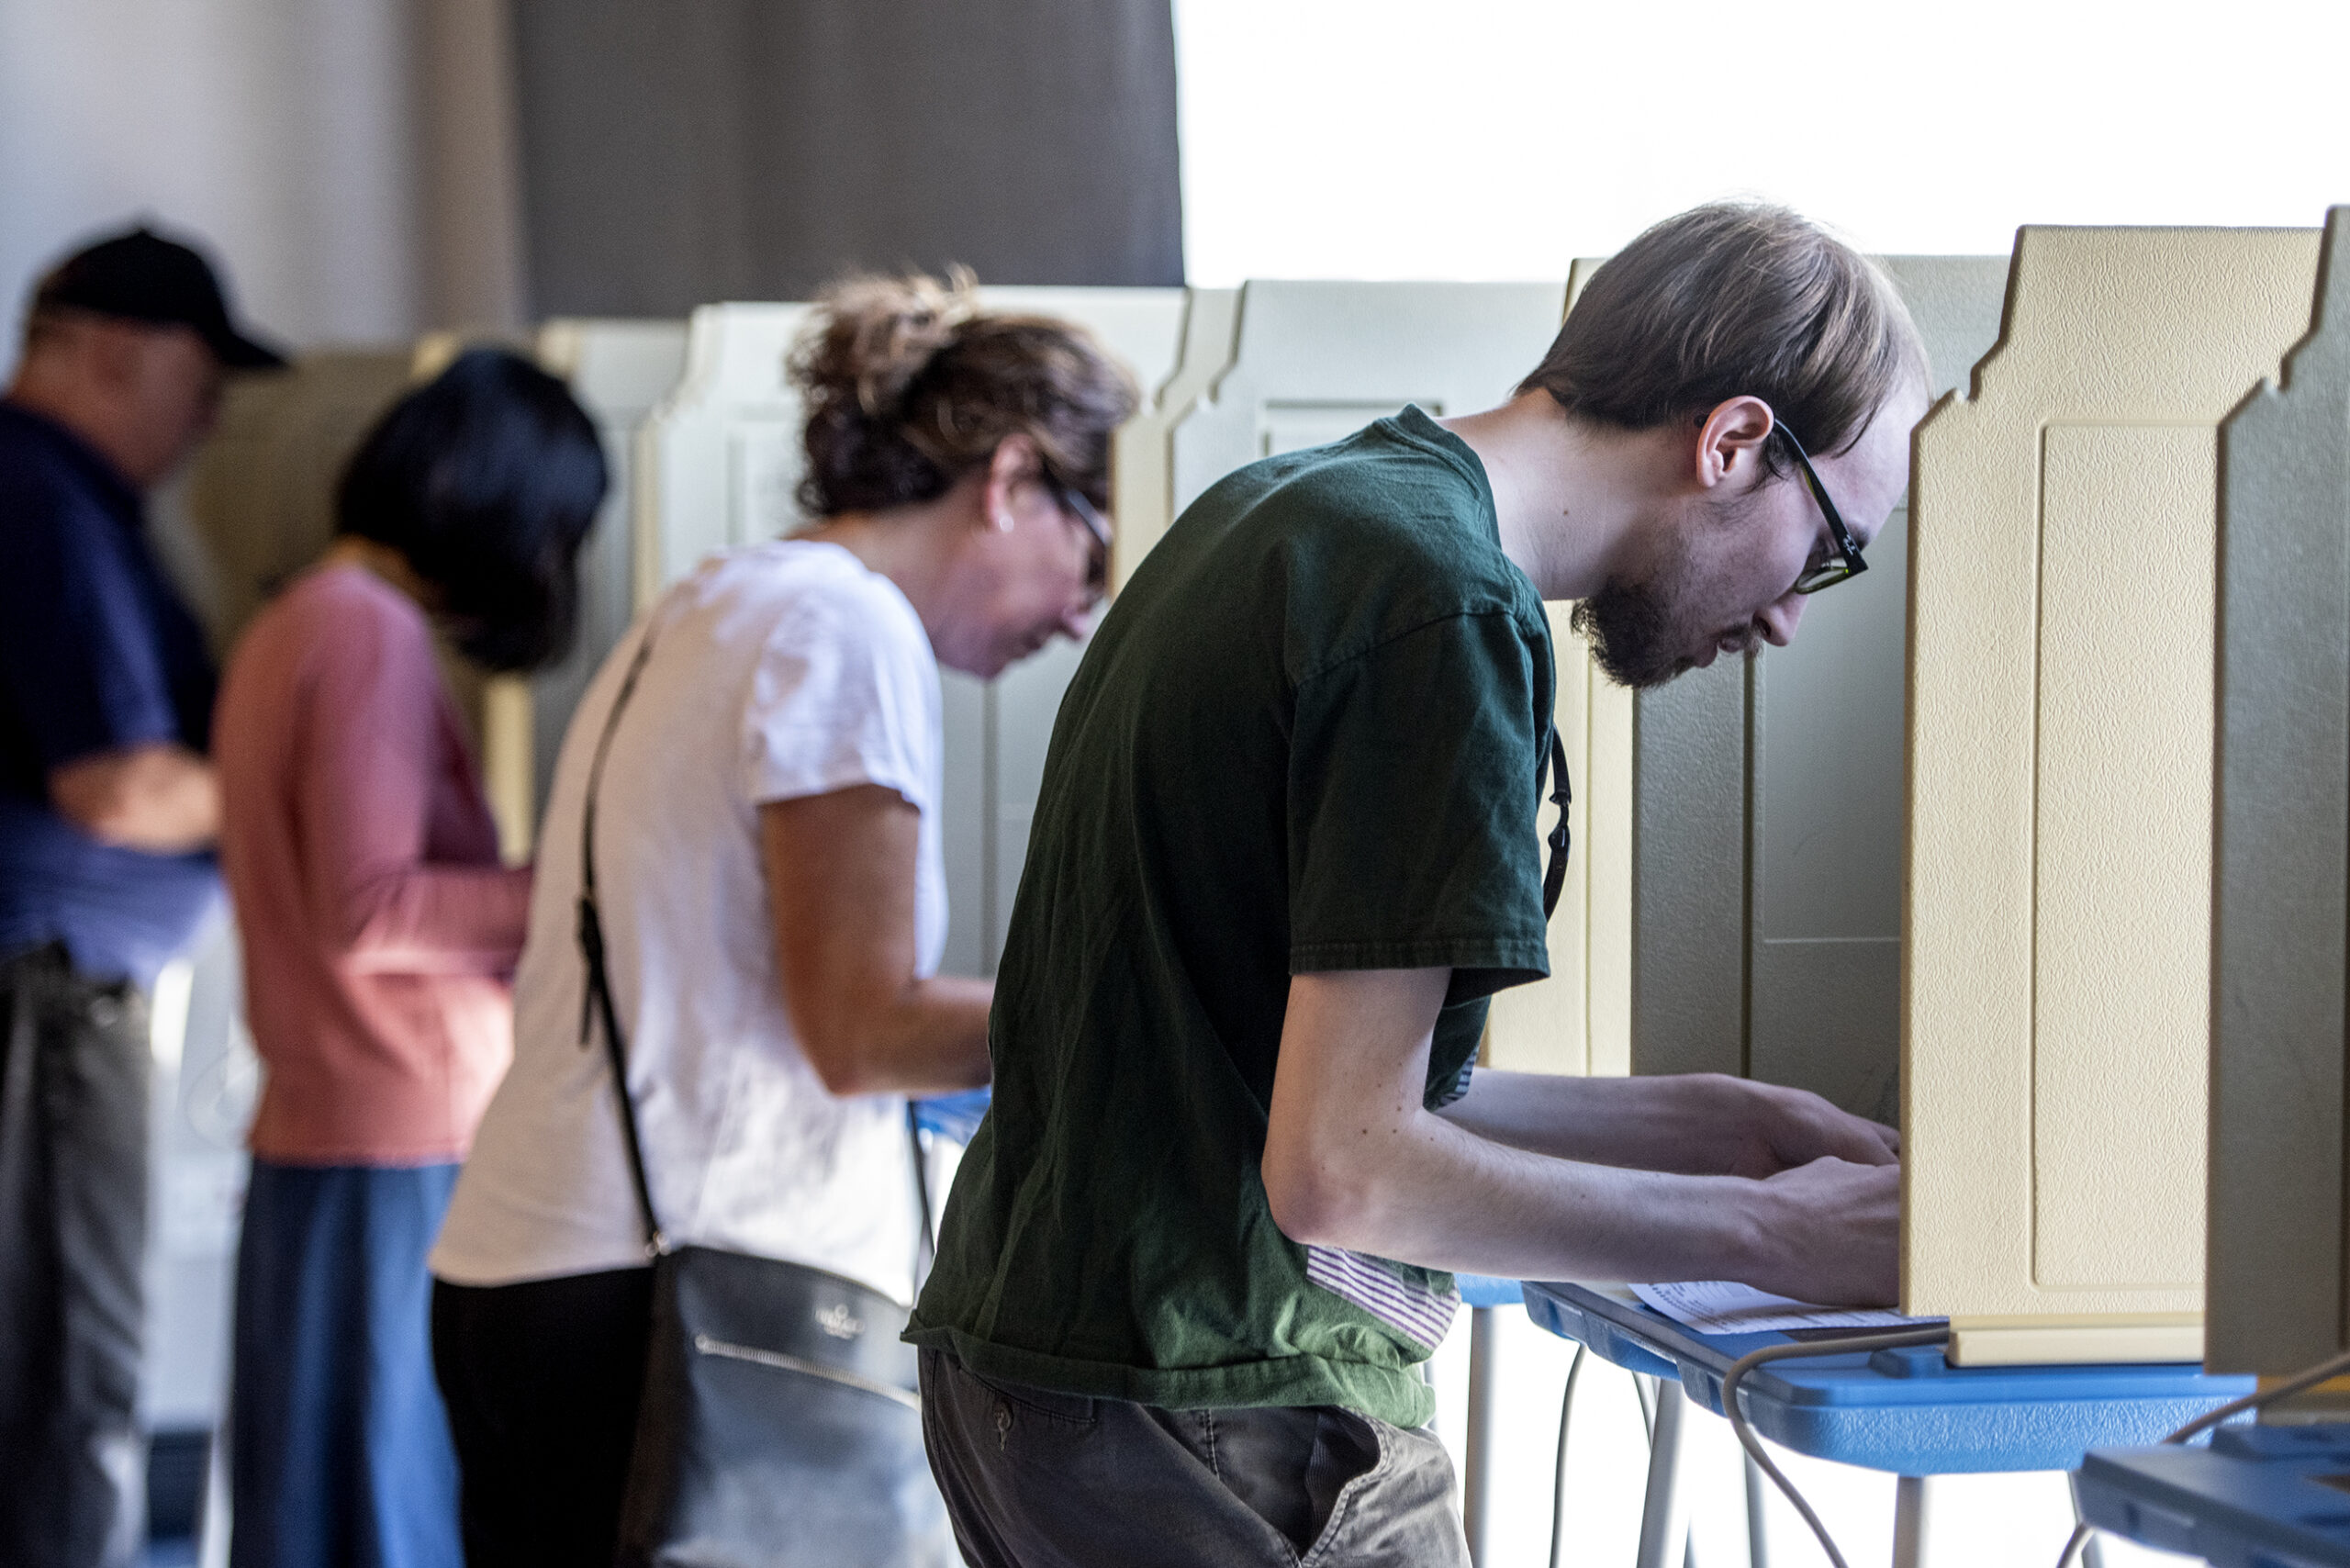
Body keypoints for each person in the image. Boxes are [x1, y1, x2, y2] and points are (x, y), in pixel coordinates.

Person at [905, 201, 1935, 1567]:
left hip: (1037, 1379)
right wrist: (1772, 1237)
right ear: (1735, 440)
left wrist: (1725, 1126)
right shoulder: (1442, 610)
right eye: (1827, 546)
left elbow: (1308, 1094)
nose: (1792, 615)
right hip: (1228, 1404)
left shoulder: (1295, 512)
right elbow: (1343, 1173)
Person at [428, 273, 1135, 1564]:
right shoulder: (847, 630)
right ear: (1012, 478)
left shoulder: (719, 600)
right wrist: (1137, 1018)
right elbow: (864, 1029)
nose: (1084, 610)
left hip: (539, 1268)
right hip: (665, 1306)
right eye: (1090, 548)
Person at [211, 348, 606, 1568]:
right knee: (394, 1505)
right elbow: (372, 908)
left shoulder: (294, 620)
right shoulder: (365, 633)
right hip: (398, 1124)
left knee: (326, 1495)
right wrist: (584, 887)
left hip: (329, 1117)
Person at [0, 225, 285, 1568]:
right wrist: (315, 778)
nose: (213, 416)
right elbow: (116, 788)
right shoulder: (44, 496)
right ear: (113, 354)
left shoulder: (57, 496)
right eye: (199, 378)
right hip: (48, 996)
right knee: (69, 1371)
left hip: (50, 987)